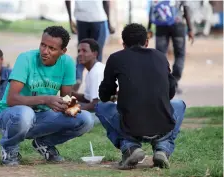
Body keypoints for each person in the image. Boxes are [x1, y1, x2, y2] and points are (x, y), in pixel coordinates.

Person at [0, 26, 94, 166]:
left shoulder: (67, 63)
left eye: (52, 48)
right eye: (43, 45)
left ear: (62, 51)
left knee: (86, 119)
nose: (45, 51)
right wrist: (46, 99)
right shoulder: (26, 59)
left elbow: (67, 99)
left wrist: (73, 108)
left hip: (41, 116)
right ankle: (9, 148)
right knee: (25, 113)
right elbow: (12, 99)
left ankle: (44, 144)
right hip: (11, 116)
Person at [95, 23, 186, 169]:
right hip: (162, 126)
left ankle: (130, 147)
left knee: (100, 107)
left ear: (123, 44)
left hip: (130, 127)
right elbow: (170, 92)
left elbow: (104, 96)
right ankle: (162, 148)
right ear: (147, 42)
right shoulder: (160, 56)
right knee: (179, 104)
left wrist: (119, 93)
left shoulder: (116, 58)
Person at [65, 0, 115, 91]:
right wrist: (109, 23)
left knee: (82, 51)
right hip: (98, 18)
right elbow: (106, 2)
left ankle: (78, 77)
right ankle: (96, 85)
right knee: (96, 53)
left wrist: (70, 19)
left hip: (81, 19)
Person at [147, 0, 194, 93]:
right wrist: (190, 29)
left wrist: (149, 28)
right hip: (178, 25)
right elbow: (186, 8)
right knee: (180, 55)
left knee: (160, 56)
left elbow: (152, 9)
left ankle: (164, 84)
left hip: (161, 27)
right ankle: (174, 82)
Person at [72, 38, 105, 112]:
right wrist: (70, 93)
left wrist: (74, 109)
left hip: (110, 112)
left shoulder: (97, 72)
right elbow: (87, 99)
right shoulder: (91, 71)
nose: (80, 54)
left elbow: (97, 103)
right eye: (79, 51)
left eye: (84, 51)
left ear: (95, 54)